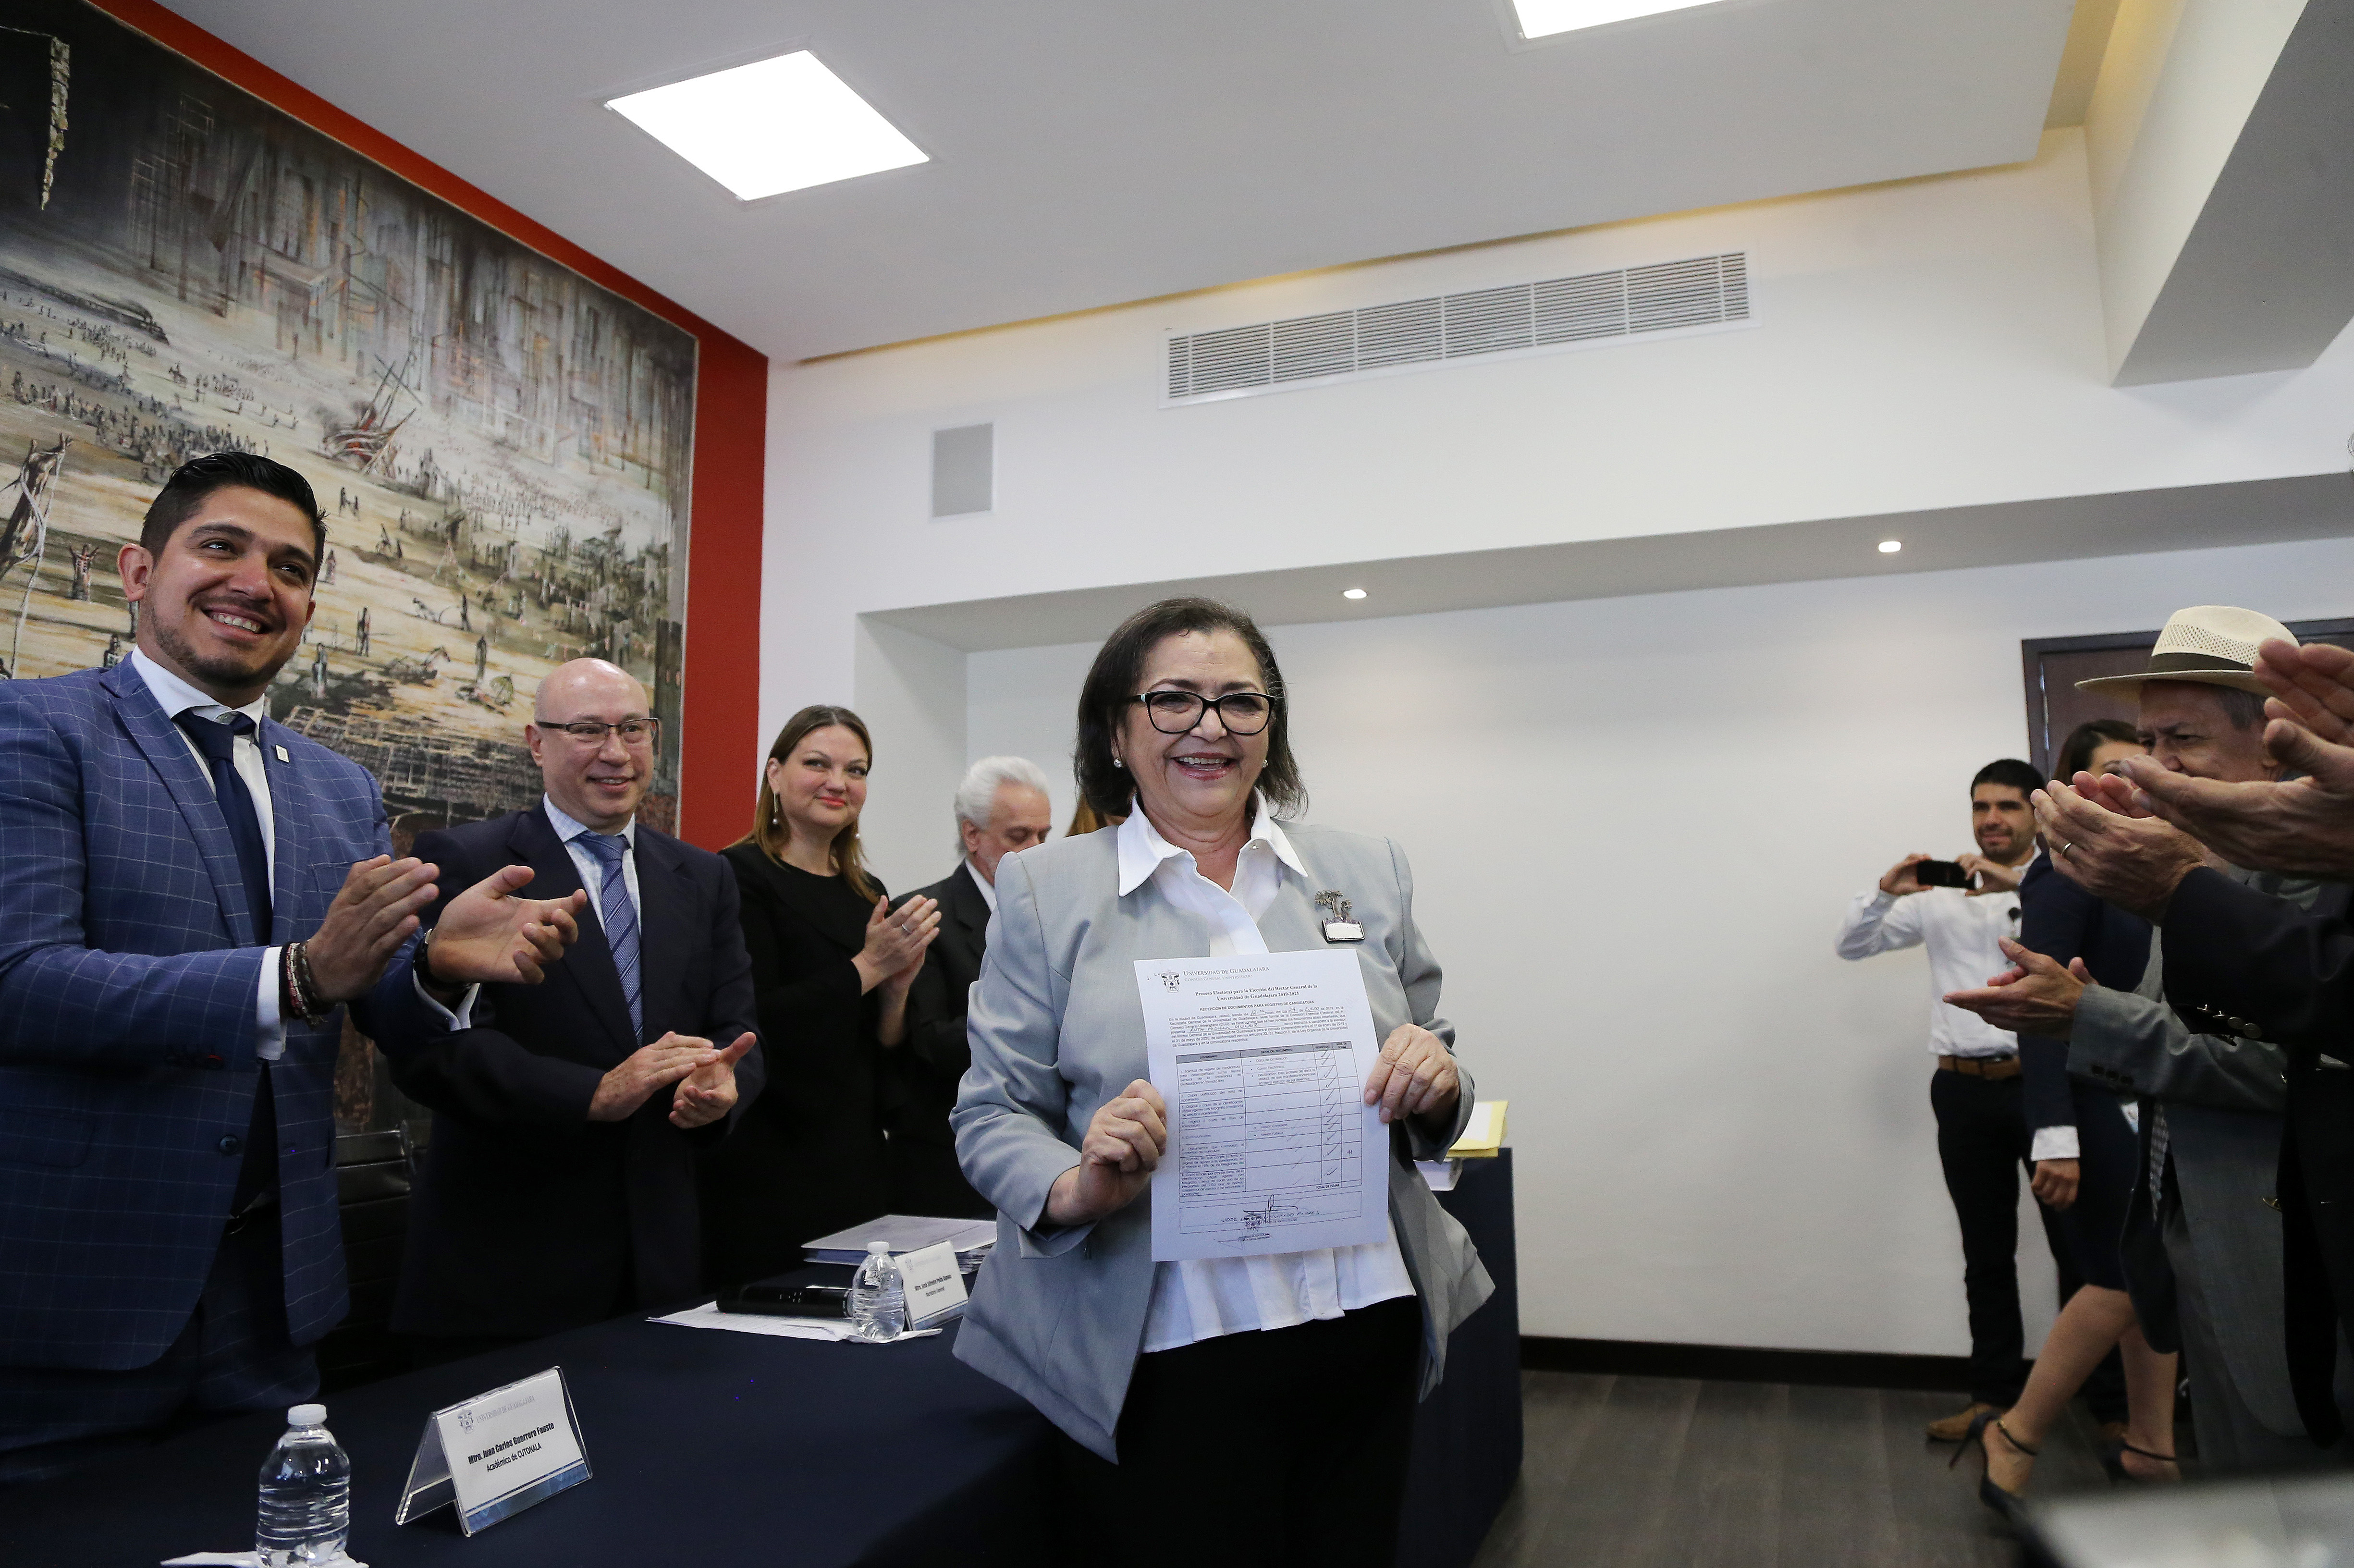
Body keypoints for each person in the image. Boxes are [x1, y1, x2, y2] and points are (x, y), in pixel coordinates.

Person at [0, 453, 578, 1482]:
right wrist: (297, 978)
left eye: (291, 567)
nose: (256, 583)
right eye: (221, 547)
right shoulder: (35, 729)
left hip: (276, 1308)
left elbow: (367, 996)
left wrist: (435, 969)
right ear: (139, 571)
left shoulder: (338, 786)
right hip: (76, 1298)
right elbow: (23, 982)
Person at [953, 597, 1489, 1568]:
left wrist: (1438, 1082)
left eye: (1241, 701)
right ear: (1114, 731)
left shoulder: (1366, 870)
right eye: (1172, 699)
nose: (1210, 726)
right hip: (1163, 1342)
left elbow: (1433, 1057)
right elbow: (993, 1110)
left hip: (1362, 1323)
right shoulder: (1044, 890)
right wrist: (1075, 1184)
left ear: (1270, 728)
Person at [1985, 606, 2329, 1474]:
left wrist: (2087, 1015)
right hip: (2199, 1232)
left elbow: (2289, 1065)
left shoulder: (2317, 878)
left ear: (2278, 745)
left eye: (2183, 739)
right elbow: (2178, 1021)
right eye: (2147, 740)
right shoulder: (2188, 856)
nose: (2154, 766)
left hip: (2290, 1257)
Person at [365, 658, 762, 1360]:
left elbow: (738, 1028)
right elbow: (432, 1050)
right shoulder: (470, 860)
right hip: (510, 1269)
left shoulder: (704, 875)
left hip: (661, 1260)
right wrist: (593, 1094)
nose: (616, 752)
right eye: (587, 730)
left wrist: (722, 1087)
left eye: (633, 729)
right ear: (536, 743)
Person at [1941, 725, 2174, 1507]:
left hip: (2147, 1092)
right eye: (2113, 770)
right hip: (2091, 1097)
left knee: (2147, 1276)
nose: (2133, 781)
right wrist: (2055, 1133)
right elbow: (2036, 1009)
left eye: (2140, 766)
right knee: (2123, 1277)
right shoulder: (2062, 872)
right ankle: (2016, 1432)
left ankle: (2151, 1446)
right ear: (2072, 786)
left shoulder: (2145, 863)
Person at [1834, 759, 2100, 1443]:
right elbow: (1852, 946)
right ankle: (1992, 1401)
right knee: (1986, 1253)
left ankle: (2110, 1410)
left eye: (2007, 806)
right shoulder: (1939, 896)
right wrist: (1885, 894)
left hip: (2046, 1087)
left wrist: (2021, 886)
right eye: (1981, 807)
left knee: (2083, 1252)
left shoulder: (2064, 884)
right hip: (1962, 1090)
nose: (1991, 820)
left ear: (2036, 814)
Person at [698, 706, 941, 1286]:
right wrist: (869, 966)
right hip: (766, 1151)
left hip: (854, 1151)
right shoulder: (735, 876)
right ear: (775, 774)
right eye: (817, 764)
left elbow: (880, 1043)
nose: (838, 783)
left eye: (855, 771)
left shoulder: (867, 891)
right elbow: (756, 1020)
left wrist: (896, 989)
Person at [892, 756, 1055, 1218]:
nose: (1036, 850)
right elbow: (929, 1043)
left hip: (1042, 1150)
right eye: (1019, 836)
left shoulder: (1055, 913)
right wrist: (1034, 1020)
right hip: (949, 1158)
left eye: (1043, 836)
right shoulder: (925, 915)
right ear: (972, 836)